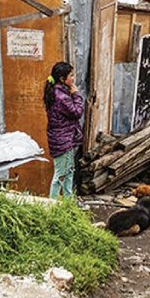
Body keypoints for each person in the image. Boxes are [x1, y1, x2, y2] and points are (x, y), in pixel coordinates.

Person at [44, 62, 84, 198]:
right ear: (62, 79)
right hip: (63, 141)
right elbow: (77, 112)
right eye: (71, 75)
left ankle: (68, 202)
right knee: (60, 175)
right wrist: (76, 94)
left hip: (64, 139)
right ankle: (52, 205)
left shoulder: (59, 92)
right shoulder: (61, 97)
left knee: (69, 172)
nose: (73, 78)